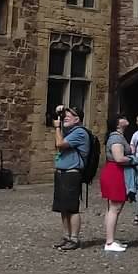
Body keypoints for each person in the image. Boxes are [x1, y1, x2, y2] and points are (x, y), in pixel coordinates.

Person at [51, 104, 90, 251]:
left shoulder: (79, 133)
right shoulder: (70, 131)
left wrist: (57, 128)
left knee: (72, 208)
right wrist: (59, 113)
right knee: (63, 207)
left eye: (69, 116)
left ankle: (74, 238)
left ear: (77, 119)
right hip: (62, 171)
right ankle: (66, 236)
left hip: (71, 173)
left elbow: (59, 144)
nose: (65, 118)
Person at [100, 115, 133, 253]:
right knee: (115, 208)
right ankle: (109, 241)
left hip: (114, 171)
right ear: (118, 124)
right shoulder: (116, 138)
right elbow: (119, 158)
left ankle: (111, 238)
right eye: (122, 118)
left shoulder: (118, 137)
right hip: (115, 172)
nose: (126, 119)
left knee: (112, 208)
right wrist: (133, 159)